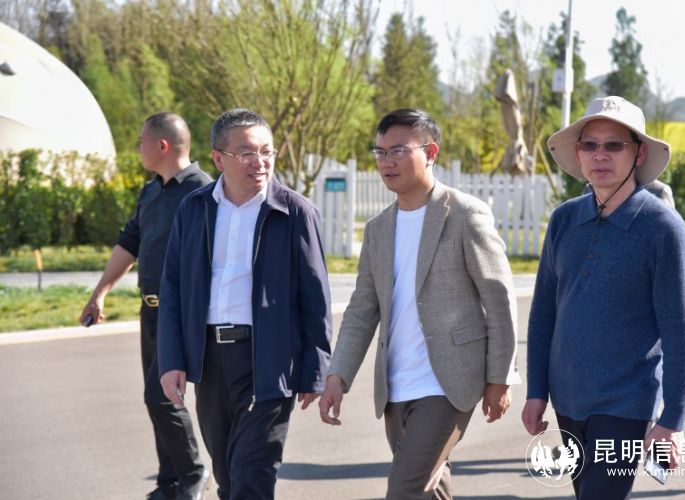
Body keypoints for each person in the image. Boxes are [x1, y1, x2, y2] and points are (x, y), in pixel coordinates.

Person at [318, 108, 520, 499]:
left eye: (398, 151)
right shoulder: (378, 229)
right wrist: (337, 377)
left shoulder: (465, 214)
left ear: (430, 153)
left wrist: (500, 378)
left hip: (448, 384)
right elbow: (361, 311)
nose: (386, 162)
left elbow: (499, 300)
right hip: (396, 385)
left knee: (405, 489)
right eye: (380, 153)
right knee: (430, 487)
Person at [522, 96, 685, 500]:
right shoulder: (563, 219)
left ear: (639, 153)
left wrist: (672, 419)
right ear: (578, 153)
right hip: (568, 401)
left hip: (627, 403)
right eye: (590, 145)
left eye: (614, 145)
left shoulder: (664, 230)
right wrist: (536, 391)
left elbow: (682, 332)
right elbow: (544, 313)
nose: (600, 155)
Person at [157, 108, 332, 500]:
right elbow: (173, 290)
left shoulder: (295, 212)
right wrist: (171, 361)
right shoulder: (194, 209)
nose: (260, 161)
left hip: (269, 361)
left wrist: (315, 369)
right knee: (228, 477)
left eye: (267, 151)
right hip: (210, 361)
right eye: (247, 153)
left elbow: (315, 297)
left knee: (252, 477)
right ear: (219, 158)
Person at [79, 112, 212, 500]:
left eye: (141, 141)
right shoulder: (151, 191)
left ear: (162, 146)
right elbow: (129, 244)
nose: (137, 148)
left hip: (180, 314)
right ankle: (169, 481)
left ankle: (193, 473)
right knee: (157, 400)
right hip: (149, 311)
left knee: (161, 397)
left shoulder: (204, 193)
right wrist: (99, 292)